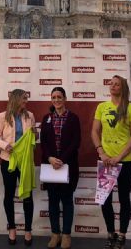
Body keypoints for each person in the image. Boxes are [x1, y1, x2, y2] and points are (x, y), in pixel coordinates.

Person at [91, 75, 131, 249]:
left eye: (117, 84)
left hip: (124, 162)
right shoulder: (101, 107)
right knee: (105, 200)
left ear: (123, 87)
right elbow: (95, 132)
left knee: (123, 198)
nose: (112, 86)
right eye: (111, 83)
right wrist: (102, 153)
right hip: (105, 162)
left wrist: (119, 157)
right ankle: (111, 233)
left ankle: (122, 235)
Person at [0, 89, 36, 246]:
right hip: (8, 160)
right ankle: (11, 228)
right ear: (17, 99)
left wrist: (35, 134)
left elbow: (33, 138)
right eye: (24, 98)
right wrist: (5, 145)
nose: (27, 101)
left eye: (27, 99)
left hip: (25, 161)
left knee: (27, 195)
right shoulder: (2, 116)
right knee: (9, 194)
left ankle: (28, 229)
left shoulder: (30, 115)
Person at [40, 87, 81, 249]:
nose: (56, 100)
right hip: (51, 167)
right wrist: (50, 158)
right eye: (54, 97)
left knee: (67, 202)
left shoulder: (73, 118)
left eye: (59, 97)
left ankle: (66, 235)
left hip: (67, 166)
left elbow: (76, 142)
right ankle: (55, 234)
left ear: (65, 98)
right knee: (52, 202)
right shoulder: (46, 118)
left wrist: (61, 160)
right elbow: (43, 142)